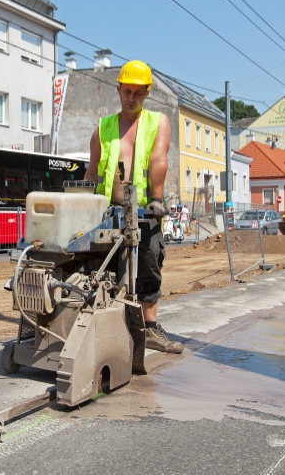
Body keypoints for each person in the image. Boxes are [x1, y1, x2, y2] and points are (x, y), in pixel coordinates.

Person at [84, 60, 182, 354]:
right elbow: (91, 171)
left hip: (144, 210)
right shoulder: (104, 127)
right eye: (128, 91)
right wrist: (84, 204)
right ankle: (110, 324)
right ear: (118, 89)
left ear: (147, 93)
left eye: (138, 93)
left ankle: (149, 328)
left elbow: (157, 159)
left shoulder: (157, 122)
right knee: (103, 270)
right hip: (108, 211)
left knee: (149, 263)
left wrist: (156, 198)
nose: (132, 98)